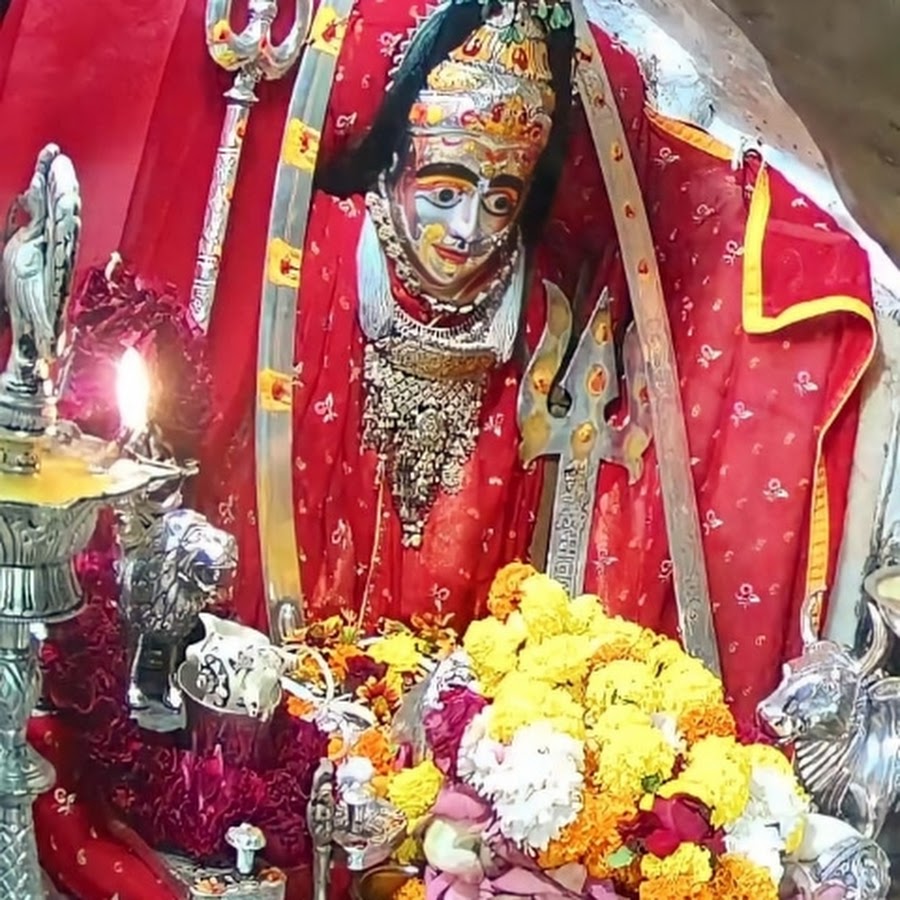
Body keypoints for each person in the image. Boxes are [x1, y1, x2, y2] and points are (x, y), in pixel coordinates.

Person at [0, 0, 875, 712]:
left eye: (499, 200)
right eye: (446, 189)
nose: (466, 231)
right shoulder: (312, 264)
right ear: (393, 166)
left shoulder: (537, 307)